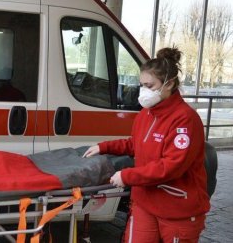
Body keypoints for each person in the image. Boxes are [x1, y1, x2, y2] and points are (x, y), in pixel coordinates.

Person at [83, 47, 210, 243]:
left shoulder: (185, 120)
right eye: (142, 85)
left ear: (169, 84)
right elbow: (136, 144)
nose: (144, 91)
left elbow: (171, 167)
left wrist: (127, 176)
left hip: (177, 208)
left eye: (150, 86)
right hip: (144, 201)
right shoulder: (147, 113)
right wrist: (104, 147)